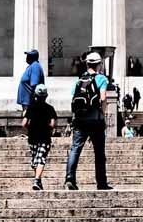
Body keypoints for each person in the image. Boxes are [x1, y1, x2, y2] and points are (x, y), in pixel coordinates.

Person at [65, 52, 112, 191]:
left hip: (80, 120)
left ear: (87, 64)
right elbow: (103, 98)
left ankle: (69, 178)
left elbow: (73, 98)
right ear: (99, 64)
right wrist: (103, 113)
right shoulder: (101, 78)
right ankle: (101, 183)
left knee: (75, 149)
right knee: (99, 152)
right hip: (95, 120)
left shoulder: (79, 80)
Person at [23, 84, 57, 191]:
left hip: (32, 137)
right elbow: (52, 124)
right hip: (45, 137)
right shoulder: (50, 108)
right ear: (46, 96)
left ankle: (37, 179)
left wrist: (30, 126)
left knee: (35, 159)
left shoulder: (31, 108)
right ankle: (37, 180)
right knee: (41, 158)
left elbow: (24, 123)